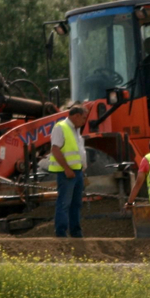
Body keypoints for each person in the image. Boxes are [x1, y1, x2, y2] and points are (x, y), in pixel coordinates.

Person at [48, 102, 88, 238]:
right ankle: (61, 233)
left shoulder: (76, 130)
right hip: (67, 173)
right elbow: (55, 149)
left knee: (76, 204)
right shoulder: (61, 127)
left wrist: (82, 169)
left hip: (77, 172)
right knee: (64, 203)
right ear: (76, 116)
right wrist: (66, 168)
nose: (84, 121)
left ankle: (76, 232)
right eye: (83, 118)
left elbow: (79, 152)